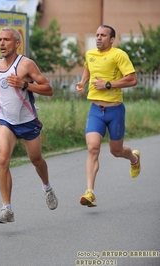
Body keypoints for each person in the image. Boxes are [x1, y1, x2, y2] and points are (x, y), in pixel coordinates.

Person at [0, 27, 58, 224]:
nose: (2, 43)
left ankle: (47, 187)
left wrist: (24, 84)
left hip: (27, 121)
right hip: (6, 120)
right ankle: (7, 208)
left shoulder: (26, 64)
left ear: (17, 43)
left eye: (6, 40)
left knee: (36, 160)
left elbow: (48, 89)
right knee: (2, 160)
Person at [76, 25, 141, 207]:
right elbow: (88, 68)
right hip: (96, 109)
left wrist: (108, 85)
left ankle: (134, 159)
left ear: (112, 39)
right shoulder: (90, 54)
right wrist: (83, 82)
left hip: (115, 111)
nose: (99, 38)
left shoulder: (118, 55)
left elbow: (132, 79)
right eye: (97, 35)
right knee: (92, 148)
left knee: (116, 151)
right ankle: (90, 192)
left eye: (103, 35)